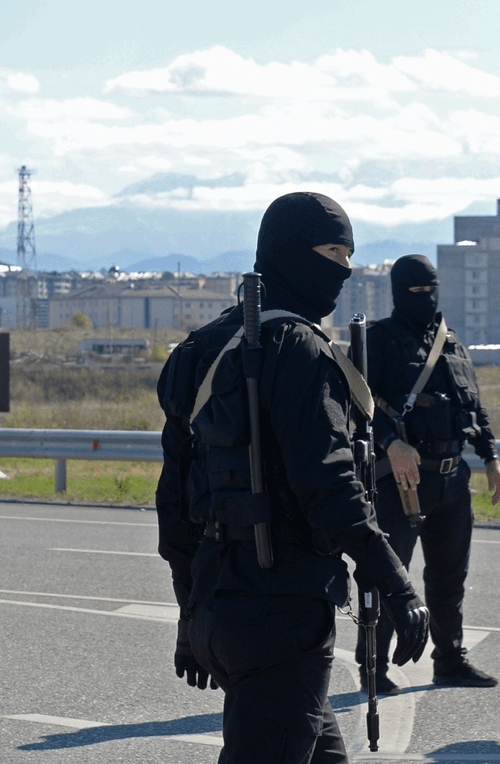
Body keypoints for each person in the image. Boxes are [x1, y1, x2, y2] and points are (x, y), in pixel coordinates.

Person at [156, 192, 430, 762]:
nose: (344, 268)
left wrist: (189, 615)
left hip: (220, 607)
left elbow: (175, 503)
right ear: (289, 251)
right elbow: (330, 486)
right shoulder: (299, 349)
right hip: (279, 613)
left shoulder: (201, 346)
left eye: (349, 255)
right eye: (332, 252)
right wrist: (397, 584)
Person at [355, 254, 500, 693]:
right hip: (401, 480)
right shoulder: (376, 341)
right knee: (390, 576)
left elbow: (473, 406)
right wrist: (391, 443)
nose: (426, 298)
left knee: (449, 578)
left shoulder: (451, 341)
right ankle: (373, 666)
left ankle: (450, 661)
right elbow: (355, 402)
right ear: (398, 292)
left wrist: (491, 458)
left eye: (431, 290)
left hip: (452, 478)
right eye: (416, 291)